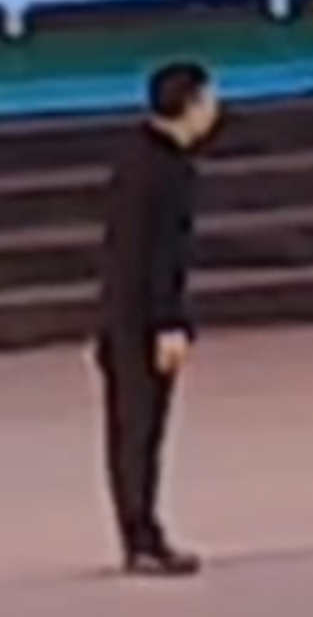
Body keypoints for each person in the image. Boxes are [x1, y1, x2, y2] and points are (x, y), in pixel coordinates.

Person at [95, 60, 220, 577]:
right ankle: (141, 535)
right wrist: (168, 322)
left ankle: (141, 531)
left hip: (120, 314)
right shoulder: (164, 171)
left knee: (134, 430)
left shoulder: (135, 158)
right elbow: (157, 254)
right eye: (209, 100)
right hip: (139, 320)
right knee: (139, 431)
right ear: (190, 106)